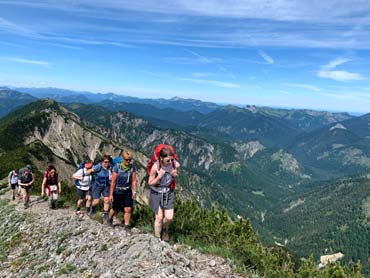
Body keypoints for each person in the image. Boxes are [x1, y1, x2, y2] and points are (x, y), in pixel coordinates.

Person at [148, 147, 180, 241]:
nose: (170, 162)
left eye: (171, 159)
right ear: (161, 158)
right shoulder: (155, 167)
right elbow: (150, 182)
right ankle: (157, 239)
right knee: (159, 217)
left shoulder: (174, 164)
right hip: (156, 192)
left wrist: (175, 174)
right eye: (168, 160)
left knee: (169, 218)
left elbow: (177, 173)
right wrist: (159, 177)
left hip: (168, 191)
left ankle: (165, 229)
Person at [108, 150, 137, 230]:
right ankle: (110, 218)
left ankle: (127, 225)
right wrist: (111, 194)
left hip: (127, 190)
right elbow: (113, 182)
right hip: (117, 191)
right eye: (126, 159)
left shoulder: (132, 167)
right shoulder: (117, 167)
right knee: (115, 208)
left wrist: (134, 191)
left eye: (129, 160)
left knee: (128, 208)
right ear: (122, 159)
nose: (128, 161)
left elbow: (134, 180)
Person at [87, 155, 112, 223]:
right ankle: (92, 208)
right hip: (97, 185)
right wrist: (87, 172)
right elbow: (90, 171)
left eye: (108, 162)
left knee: (107, 200)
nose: (107, 163)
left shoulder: (110, 167)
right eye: (105, 162)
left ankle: (105, 214)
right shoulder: (98, 166)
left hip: (106, 185)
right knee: (96, 201)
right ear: (102, 162)